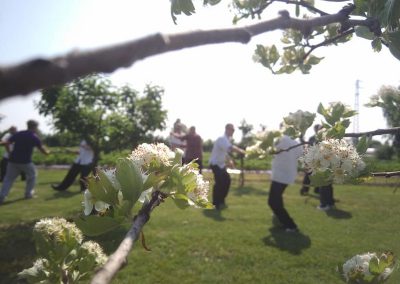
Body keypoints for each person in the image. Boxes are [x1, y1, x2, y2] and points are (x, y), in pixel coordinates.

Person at [0, 120, 50, 204]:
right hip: (25, 162)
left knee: (8, 178)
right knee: (33, 175)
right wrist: (48, 152)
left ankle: (1, 197)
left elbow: (7, 143)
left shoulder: (19, 133)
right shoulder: (34, 137)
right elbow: (43, 151)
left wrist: (9, 152)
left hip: (13, 160)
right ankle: (28, 194)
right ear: (35, 127)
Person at [268, 134, 303, 232]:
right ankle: (278, 214)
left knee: (272, 202)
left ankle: (291, 225)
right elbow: (301, 156)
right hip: (289, 176)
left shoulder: (280, 139)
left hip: (279, 175)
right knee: (277, 197)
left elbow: (270, 151)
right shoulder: (297, 143)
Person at [209, 123, 245, 210]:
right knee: (219, 183)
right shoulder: (222, 139)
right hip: (215, 164)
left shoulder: (227, 139)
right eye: (232, 130)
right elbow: (230, 148)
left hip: (221, 165)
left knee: (227, 181)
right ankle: (215, 203)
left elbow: (225, 152)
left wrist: (230, 161)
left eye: (233, 130)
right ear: (227, 129)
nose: (233, 131)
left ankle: (221, 200)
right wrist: (241, 151)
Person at [300, 124, 322, 195]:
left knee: (319, 176)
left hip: (320, 160)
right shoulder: (312, 138)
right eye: (317, 128)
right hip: (312, 160)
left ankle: (317, 190)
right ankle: (304, 190)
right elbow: (308, 149)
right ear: (315, 130)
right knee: (308, 176)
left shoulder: (323, 138)